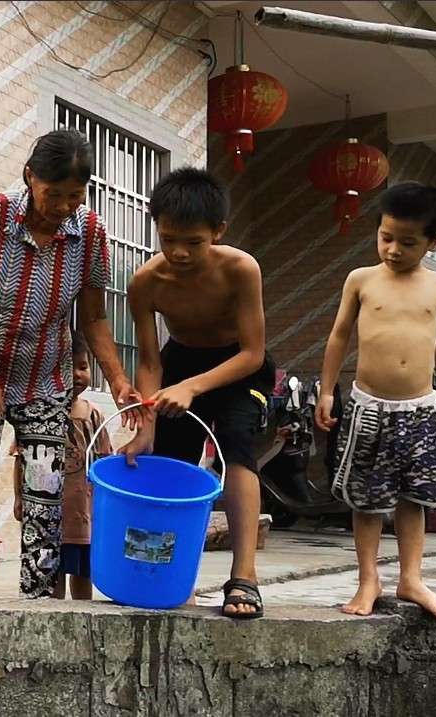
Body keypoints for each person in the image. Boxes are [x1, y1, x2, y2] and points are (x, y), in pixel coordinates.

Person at [0, 128, 136, 599]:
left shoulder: (91, 232)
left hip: (46, 381)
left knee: (45, 503)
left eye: (73, 196)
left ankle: (37, 611)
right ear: (29, 178)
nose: (61, 206)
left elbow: (94, 315)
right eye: (52, 194)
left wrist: (119, 378)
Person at [121, 167, 274, 618]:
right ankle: (170, 578)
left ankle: (244, 576)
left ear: (218, 232)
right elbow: (150, 362)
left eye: (193, 242)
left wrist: (191, 387)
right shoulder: (145, 283)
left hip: (238, 370)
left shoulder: (241, 269)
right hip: (179, 361)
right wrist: (145, 422)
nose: (179, 252)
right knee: (166, 464)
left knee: (236, 445)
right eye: (168, 239)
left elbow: (252, 353)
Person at [315, 182, 436, 619]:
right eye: (386, 237)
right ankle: (368, 579)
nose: (394, 250)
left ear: (433, 242)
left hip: (420, 409)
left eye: (408, 242)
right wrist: (326, 391)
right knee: (366, 500)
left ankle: (411, 578)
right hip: (368, 407)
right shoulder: (361, 280)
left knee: (414, 497)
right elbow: (339, 336)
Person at [12, 340, 111, 599]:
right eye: (70, 367)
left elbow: (104, 463)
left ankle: (82, 619)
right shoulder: (39, 414)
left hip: (84, 516)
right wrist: (19, 498)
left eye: (83, 367)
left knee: (82, 572)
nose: (78, 374)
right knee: (52, 571)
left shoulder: (94, 415)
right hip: (49, 515)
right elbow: (21, 459)